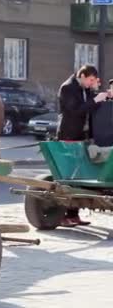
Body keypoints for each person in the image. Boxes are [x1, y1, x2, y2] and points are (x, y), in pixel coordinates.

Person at [57, 65, 111, 227]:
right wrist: (94, 99)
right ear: (82, 75)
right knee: (69, 175)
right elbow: (76, 110)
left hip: (83, 135)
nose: (91, 83)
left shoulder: (85, 88)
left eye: (94, 81)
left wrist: (99, 94)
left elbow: (91, 106)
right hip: (69, 134)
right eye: (90, 80)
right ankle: (64, 214)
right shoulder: (68, 88)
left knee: (81, 175)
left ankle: (74, 215)